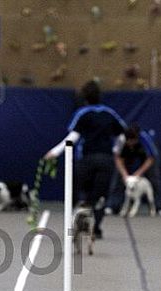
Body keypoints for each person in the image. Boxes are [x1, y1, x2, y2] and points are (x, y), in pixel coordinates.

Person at [44, 80, 127, 238]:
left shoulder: (82, 113)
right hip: (106, 160)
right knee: (100, 196)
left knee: (78, 192)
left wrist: (54, 152)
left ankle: (76, 222)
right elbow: (122, 136)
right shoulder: (109, 113)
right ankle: (96, 228)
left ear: (85, 98)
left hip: (86, 159)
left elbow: (73, 137)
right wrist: (116, 150)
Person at [106, 125, 161, 216]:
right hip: (127, 154)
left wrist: (138, 173)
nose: (130, 143)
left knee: (153, 177)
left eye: (133, 141)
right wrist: (124, 174)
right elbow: (118, 158)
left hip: (146, 156)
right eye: (128, 141)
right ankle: (113, 205)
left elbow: (150, 159)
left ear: (137, 138)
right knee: (118, 176)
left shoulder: (145, 139)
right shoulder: (120, 139)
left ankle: (159, 207)